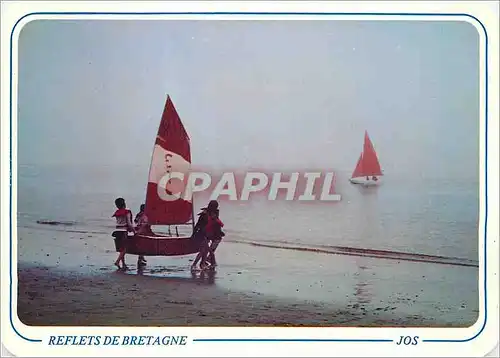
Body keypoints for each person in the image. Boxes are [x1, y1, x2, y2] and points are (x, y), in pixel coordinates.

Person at [190, 200, 219, 271]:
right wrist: (193, 234)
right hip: (202, 234)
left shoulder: (213, 213)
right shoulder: (205, 214)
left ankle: (202, 264)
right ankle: (194, 265)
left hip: (207, 234)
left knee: (205, 251)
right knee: (204, 251)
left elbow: (214, 225)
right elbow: (198, 225)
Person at [112, 197, 135, 270]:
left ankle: (124, 264)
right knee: (125, 248)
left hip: (117, 231)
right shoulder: (127, 212)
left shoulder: (117, 212)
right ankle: (117, 261)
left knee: (121, 248)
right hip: (123, 231)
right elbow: (129, 223)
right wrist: (134, 231)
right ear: (124, 204)